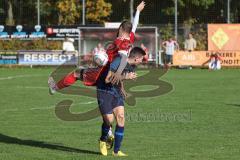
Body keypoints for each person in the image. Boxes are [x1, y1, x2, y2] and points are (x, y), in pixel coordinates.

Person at [48, 1, 145, 93]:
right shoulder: (130, 37)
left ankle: (54, 88)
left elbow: (123, 58)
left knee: (76, 74)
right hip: (108, 69)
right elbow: (135, 25)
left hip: (103, 70)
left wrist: (118, 72)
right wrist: (138, 11)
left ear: (121, 29)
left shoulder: (120, 42)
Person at [97, 47, 146, 156]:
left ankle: (116, 151)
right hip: (104, 90)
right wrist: (125, 76)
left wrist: (122, 88)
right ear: (137, 58)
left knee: (121, 117)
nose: (142, 61)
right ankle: (103, 140)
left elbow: (120, 78)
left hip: (116, 91)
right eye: (142, 58)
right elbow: (107, 79)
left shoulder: (132, 67)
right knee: (109, 120)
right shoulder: (119, 60)